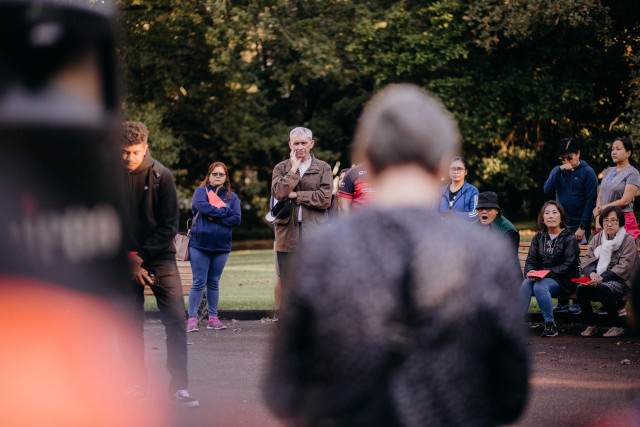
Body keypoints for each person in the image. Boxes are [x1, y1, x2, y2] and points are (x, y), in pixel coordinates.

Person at [263, 84, 529, 426]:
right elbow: (511, 395)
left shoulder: (322, 251)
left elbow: (283, 390)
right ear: (441, 164)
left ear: (369, 160)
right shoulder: (486, 252)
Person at [121, 121, 199, 407]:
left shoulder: (161, 175)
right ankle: (135, 386)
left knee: (176, 320)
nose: (129, 157)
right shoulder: (110, 176)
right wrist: (130, 259)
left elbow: (169, 225)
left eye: (135, 152)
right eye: (124, 152)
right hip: (126, 258)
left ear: (145, 148)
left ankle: (179, 388)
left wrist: (141, 257)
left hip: (160, 256)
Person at [271, 126, 333, 294]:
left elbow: (325, 199)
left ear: (311, 144)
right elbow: (279, 193)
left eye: (304, 143)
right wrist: (293, 170)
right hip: (287, 235)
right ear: (290, 144)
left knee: (316, 283)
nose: (300, 147)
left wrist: (296, 195)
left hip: (315, 233)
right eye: (296, 143)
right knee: (288, 284)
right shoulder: (281, 168)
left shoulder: (323, 168)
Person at [543, 138, 598, 314]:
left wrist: (582, 226)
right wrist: (558, 170)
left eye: (570, 157)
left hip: (579, 225)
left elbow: (590, 202)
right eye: (563, 159)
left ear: (578, 153)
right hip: (561, 225)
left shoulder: (588, 172)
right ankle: (563, 301)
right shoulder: (558, 171)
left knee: (577, 263)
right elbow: (546, 189)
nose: (567, 162)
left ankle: (577, 300)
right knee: (560, 261)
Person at [186, 162, 241, 332]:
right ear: (208, 176)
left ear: (226, 178)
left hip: (221, 246)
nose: (218, 177)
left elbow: (236, 219)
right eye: (214, 174)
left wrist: (214, 215)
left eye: (221, 174)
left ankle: (213, 319)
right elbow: (203, 208)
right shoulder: (200, 192)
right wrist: (225, 212)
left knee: (214, 282)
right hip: (199, 244)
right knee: (198, 282)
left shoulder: (233, 197)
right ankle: (192, 319)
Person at [577, 206, 640, 337]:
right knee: (580, 289)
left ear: (620, 222)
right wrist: (592, 274)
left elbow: (624, 267)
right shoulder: (598, 238)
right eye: (606, 220)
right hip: (598, 279)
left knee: (604, 288)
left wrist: (601, 278)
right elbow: (587, 259)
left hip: (622, 281)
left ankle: (617, 327)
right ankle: (591, 325)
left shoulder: (627, 240)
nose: (609, 224)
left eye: (613, 220)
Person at [519, 201, 580, 337]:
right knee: (526, 283)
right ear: (542, 218)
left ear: (561, 217)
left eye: (554, 212)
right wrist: (530, 272)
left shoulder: (569, 237)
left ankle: (550, 325)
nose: (550, 216)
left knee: (540, 285)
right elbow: (530, 260)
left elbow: (568, 265)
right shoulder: (538, 237)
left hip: (564, 280)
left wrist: (545, 274)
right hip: (541, 277)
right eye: (547, 213)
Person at [593, 137, 640, 241]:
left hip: (623, 220)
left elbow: (625, 201)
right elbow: (600, 195)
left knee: (623, 250)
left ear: (628, 153)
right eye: (613, 149)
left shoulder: (633, 173)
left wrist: (602, 209)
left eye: (618, 149)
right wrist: (598, 220)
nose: (614, 152)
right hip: (605, 221)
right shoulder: (609, 171)